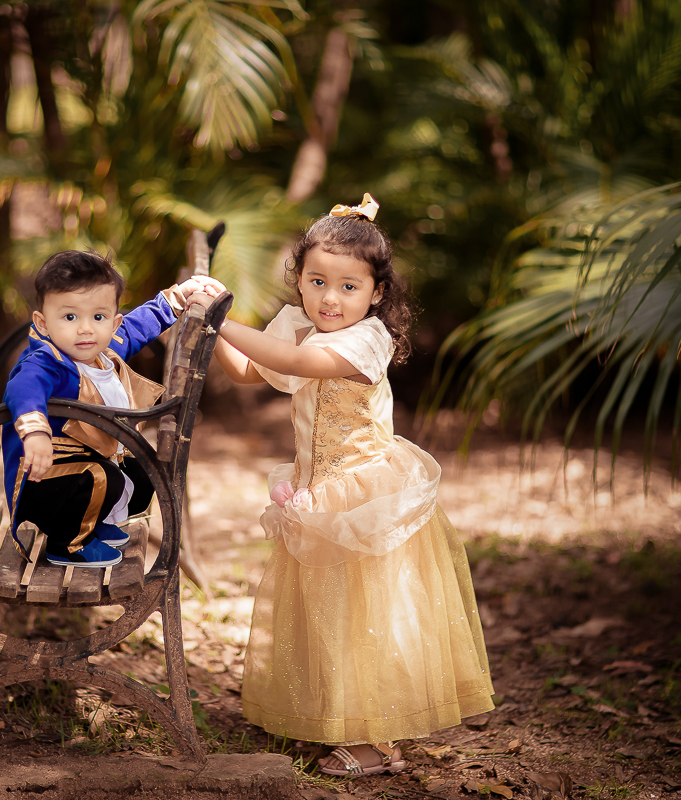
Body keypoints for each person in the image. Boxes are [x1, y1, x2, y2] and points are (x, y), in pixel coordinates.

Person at [196, 194, 495, 776]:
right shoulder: (297, 324)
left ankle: (375, 739)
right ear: (300, 281)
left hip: (363, 494)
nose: (331, 299)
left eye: (348, 287)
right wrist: (203, 324)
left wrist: (221, 317)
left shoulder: (367, 340)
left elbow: (302, 363)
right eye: (317, 281)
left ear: (376, 293)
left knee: (367, 616)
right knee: (327, 614)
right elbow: (249, 369)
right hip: (317, 489)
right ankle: (338, 717)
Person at [2, 250, 223, 568]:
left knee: (143, 476)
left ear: (113, 321)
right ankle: (67, 545)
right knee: (103, 478)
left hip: (85, 460)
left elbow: (137, 327)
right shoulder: (47, 362)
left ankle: (90, 522)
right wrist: (34, 431)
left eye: (98, 317)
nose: (85, 330)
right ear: (43, 323)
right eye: (69, 317)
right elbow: (23, 388)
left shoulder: (103, 350)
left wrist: (179, 296)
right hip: (43, 476)